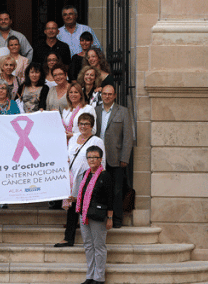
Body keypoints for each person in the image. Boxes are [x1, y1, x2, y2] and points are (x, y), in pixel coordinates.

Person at [54, 113, 105, 247]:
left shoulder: (97, 141)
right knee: (72, 207)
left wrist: (98, 179)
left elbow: (102, 161)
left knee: (85, 206)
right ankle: (68, 238)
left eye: (86, 124)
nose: (83, 127)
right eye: (81, 124)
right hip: (72, 178)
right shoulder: (73, 138)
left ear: (92, 126)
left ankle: (90, 239)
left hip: (88, 178)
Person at [95, 85, 133, 228]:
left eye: (110, 94)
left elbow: (128, 137)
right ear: (101, 95)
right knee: (99, 189)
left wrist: (125, 157)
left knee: (116, 190)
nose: (107, 96)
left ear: (115, 95)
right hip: (98, 158)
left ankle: (117, 219)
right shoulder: (95, 110)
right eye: (104, 94)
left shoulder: (123, 111)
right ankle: (100, 216)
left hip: (116, 158)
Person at [76, 145, 113, 284]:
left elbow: (111, 199)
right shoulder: (86, 174)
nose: (91, 160)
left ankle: (99, 278)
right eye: (89, 157)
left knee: (99, 246)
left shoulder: (105, 176)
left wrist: (109, 218)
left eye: (94, 157)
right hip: (84, 215)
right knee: (88, 245)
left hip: (98, 216)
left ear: (100, 159)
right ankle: (90, 276)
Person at [0, 11, 33, 80]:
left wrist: (24, 66)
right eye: (1, 19)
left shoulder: (20, 37)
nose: (3, 21)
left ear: (10, 21)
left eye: (6, 19)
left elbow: (29, 51)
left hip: (17, 75)